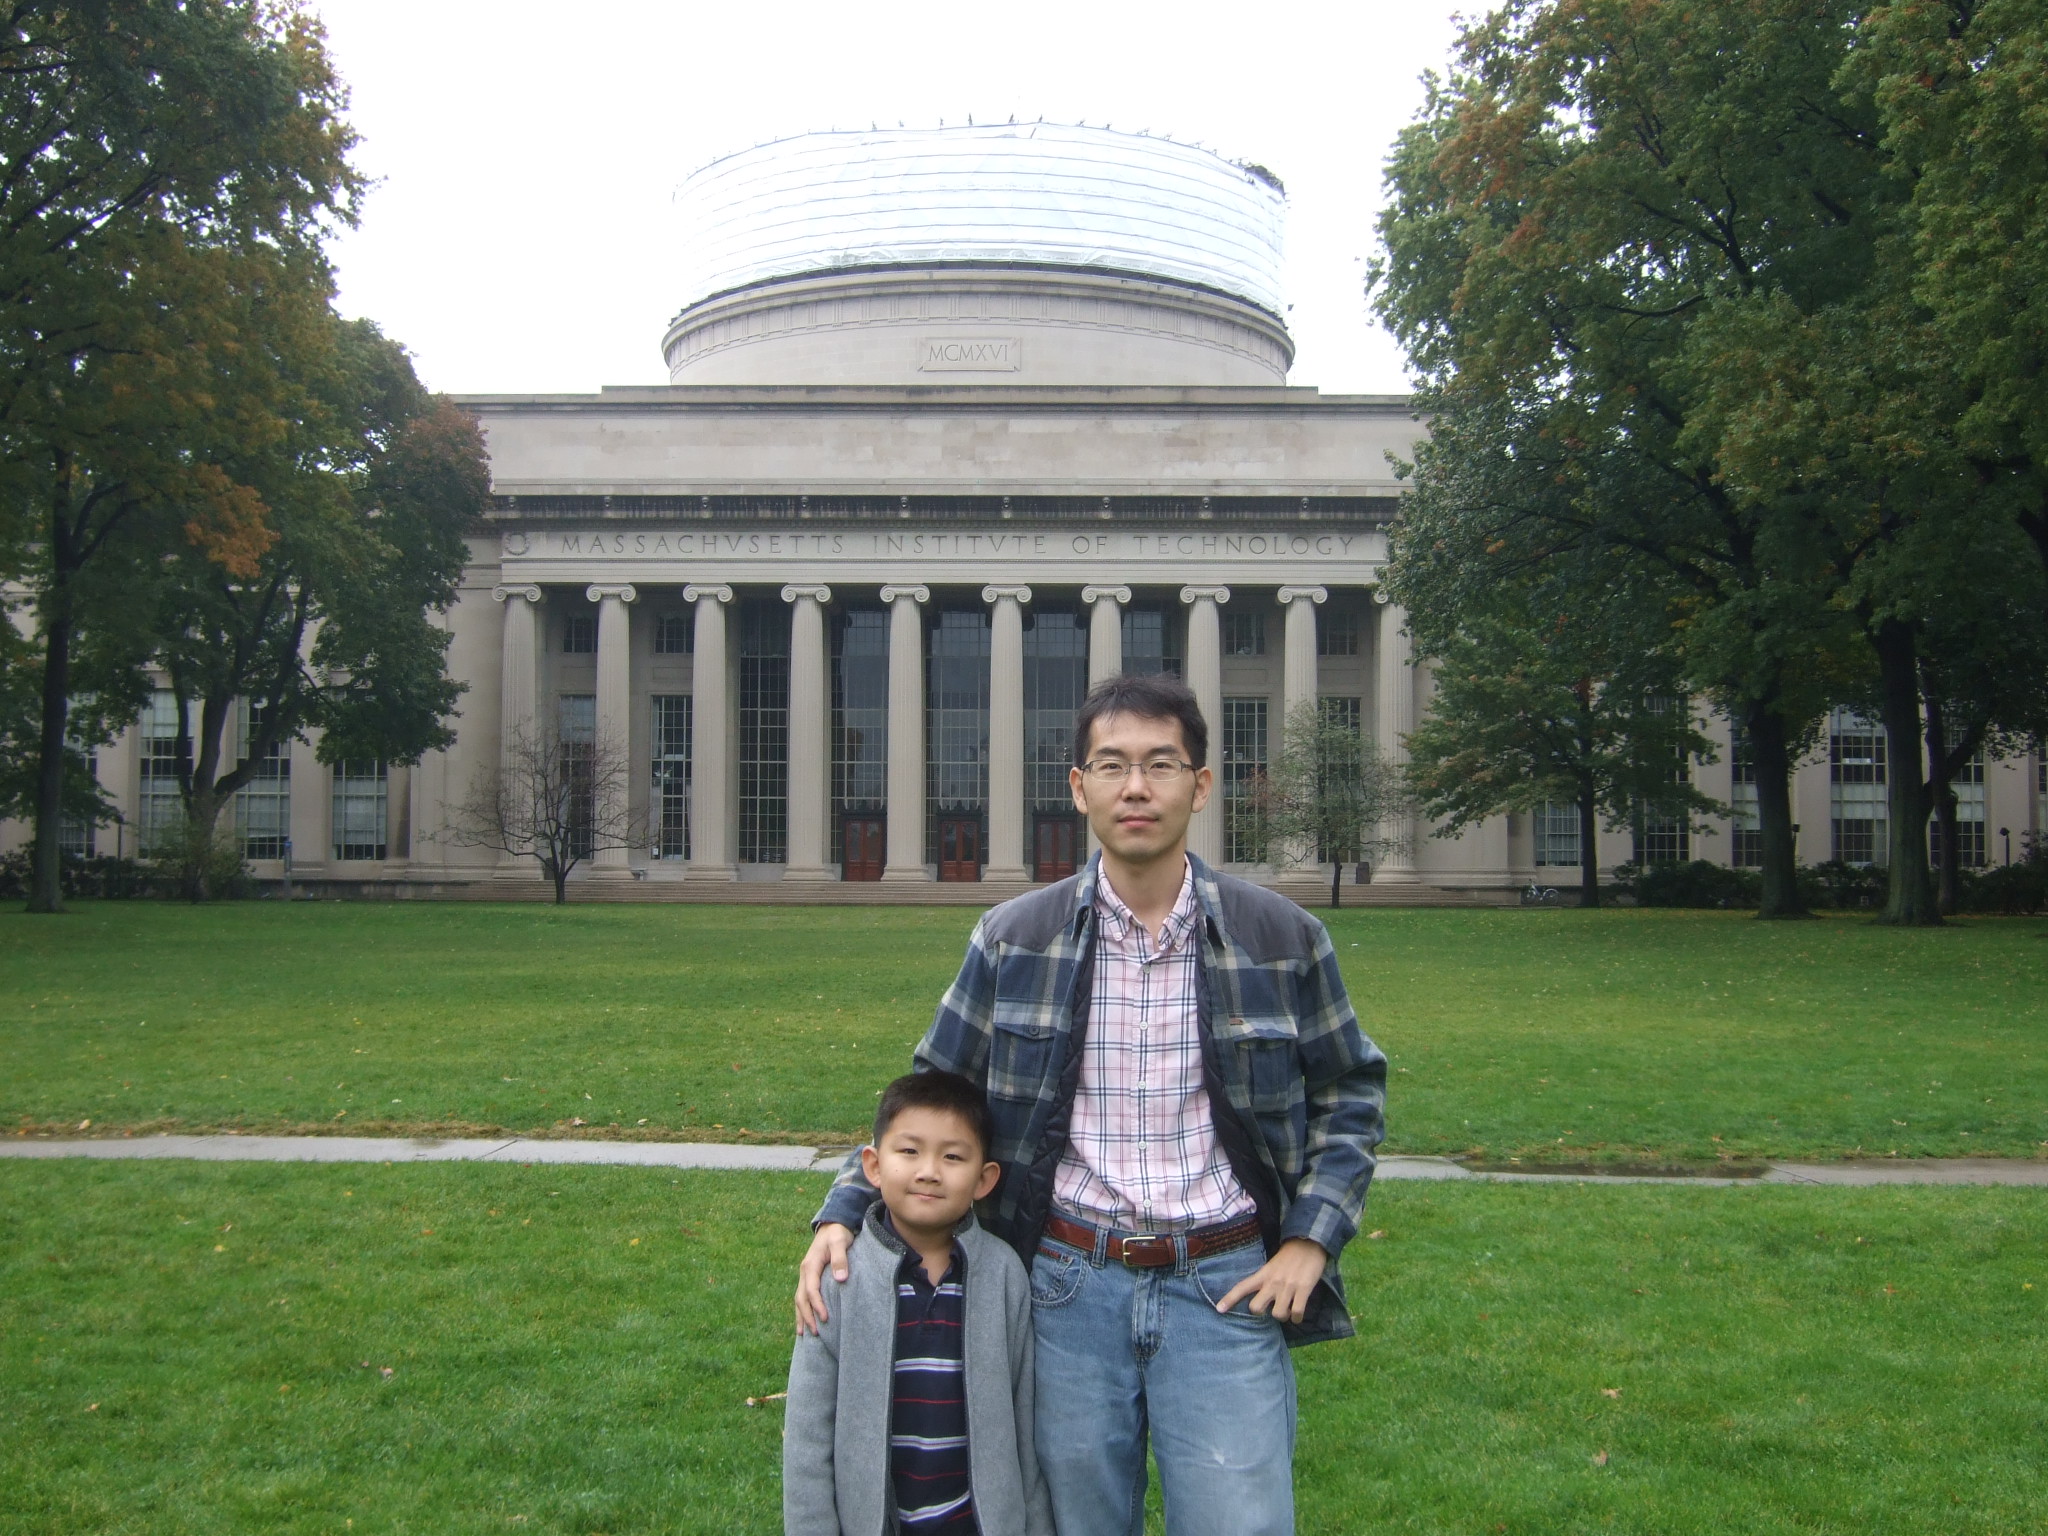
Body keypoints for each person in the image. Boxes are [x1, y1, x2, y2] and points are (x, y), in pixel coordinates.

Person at [797, 672, 1388, 1536]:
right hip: (1065, 1290)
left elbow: (1351, 1091)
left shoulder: (1280, 937)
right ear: (1078, 788)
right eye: (1112, 766)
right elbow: (933, 1096)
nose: (1137, 788)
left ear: (1201, 784)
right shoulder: (1013, 939)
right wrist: (846, 1207)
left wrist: (1310, 1238)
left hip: (1224, 1286)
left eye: (1161, 764)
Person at [783, 1069, 1054, 1536]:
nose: (928, 1171)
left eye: (952, 1156)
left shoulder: (1005, 1276)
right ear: (872, 1165)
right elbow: (808, 1439)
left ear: (985, 1178)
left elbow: (1026, 1431)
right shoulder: (839, 1281)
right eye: (909, 1151)